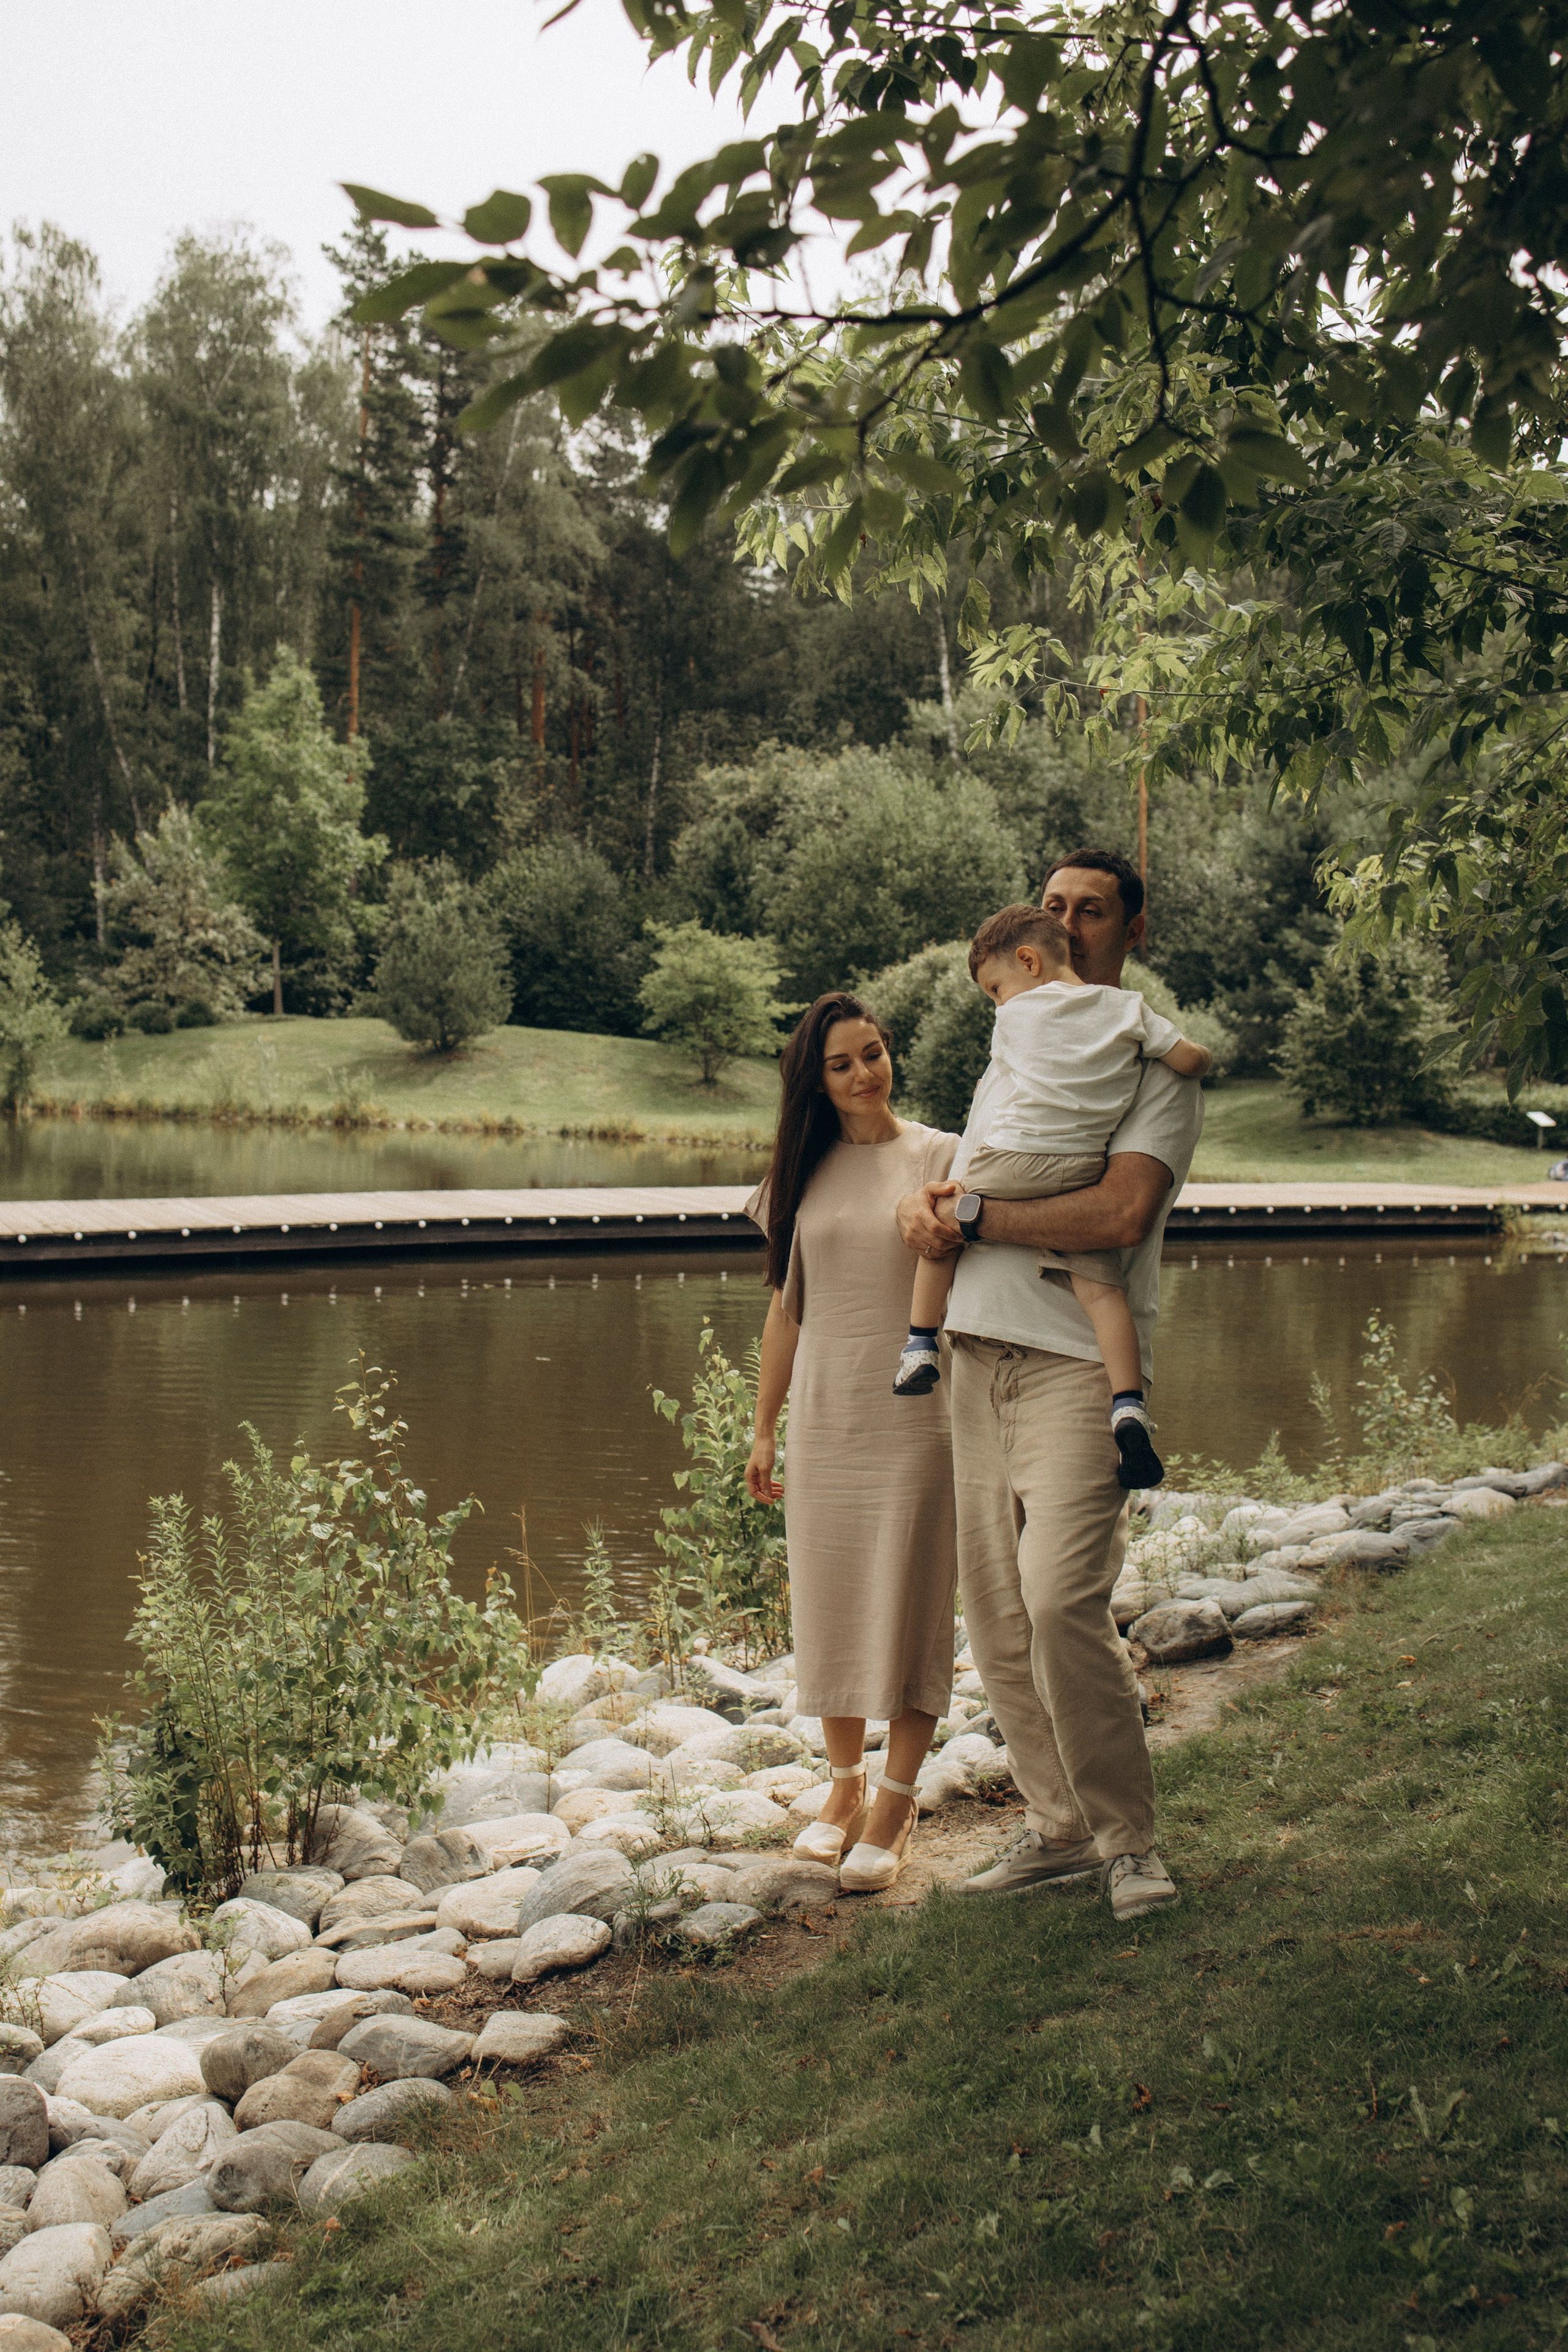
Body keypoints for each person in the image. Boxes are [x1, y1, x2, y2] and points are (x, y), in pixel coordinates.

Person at [894, 850, 1202, 1924]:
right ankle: (1059, 1828)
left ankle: (1130, 1844)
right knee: (997, 1610)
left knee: (1061, 1599)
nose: (1070, 926)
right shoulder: (1017, 1036)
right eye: (1056, 909)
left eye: (1095, 911)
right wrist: (930, 1214)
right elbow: (975, 1178)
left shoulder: (1149, 1069)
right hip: (973, 1351)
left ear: (1132, 931)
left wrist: (975, 1216)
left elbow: (1116, 1217)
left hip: (1079, 1365)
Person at [743, 991, 960, 1894]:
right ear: (817, 1081)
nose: (865, 1073)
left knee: (910, 1595)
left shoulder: (942, 1154)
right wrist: (762, 1427)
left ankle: (898, 1798)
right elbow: (787, 1309)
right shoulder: (802, 1173)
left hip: (917, 1410)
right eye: (843, 1063)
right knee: (830, 1595)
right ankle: (842, 1788)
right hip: (825, 1417)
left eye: (873, 1053)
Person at [894, 901, 1211, 1493]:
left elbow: (1122, 1215)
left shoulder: (1015, 1021)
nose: (998, 1001)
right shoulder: (1131, 1014)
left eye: (996, 988)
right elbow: (1193, 1057)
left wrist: (957, 1211)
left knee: (944, 1220)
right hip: (1083, 1169)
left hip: (1021, 1162)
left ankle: (917, 1344)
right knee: (1101, 1290)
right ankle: (1128, 1407)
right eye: (1056, 907)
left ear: (1027, 961)